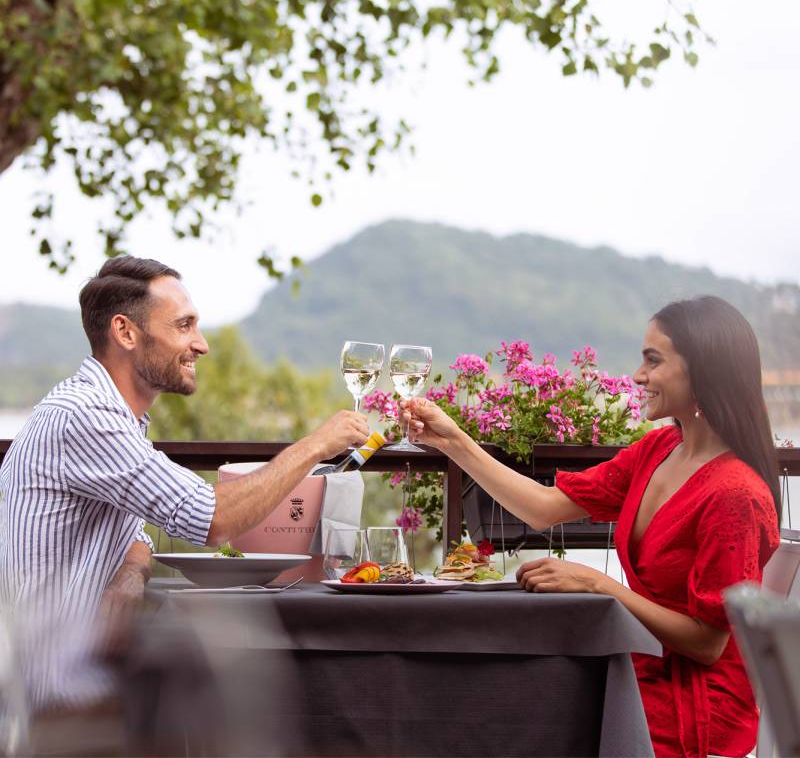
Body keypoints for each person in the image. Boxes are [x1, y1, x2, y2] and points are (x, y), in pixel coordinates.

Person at [404, 296, 780, 758]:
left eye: (653, 360)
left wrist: (599, 585)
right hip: (639, 669)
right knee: (495, 700)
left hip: (692, 707)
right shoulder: (659, 449)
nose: (638, 376)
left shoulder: (735, 493)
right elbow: (543, 508)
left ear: (702, 370)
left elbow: (708, 643)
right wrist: (452, 441)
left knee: (525, 714)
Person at [0, 256, 369, 718]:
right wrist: (317, 444)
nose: (202, 344)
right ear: (126, 332)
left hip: (82, 672)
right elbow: (211, 518)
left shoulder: (112, 417)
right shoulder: (85, 418)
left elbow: (132, 526)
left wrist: (132, 571)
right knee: (252, 671)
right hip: (53, 695)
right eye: (184, 325)